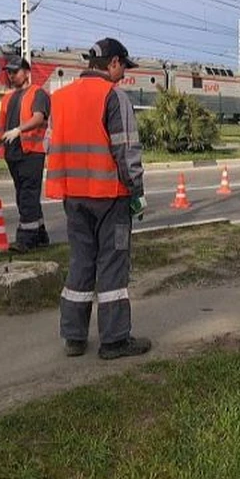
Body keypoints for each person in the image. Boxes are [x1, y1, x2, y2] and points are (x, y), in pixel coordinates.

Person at [46, 37, 150, 360]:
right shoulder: (114, 97)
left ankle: (74, 337)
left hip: (74, 197)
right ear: (114, 63)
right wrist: (136, 192)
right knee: (113, 266)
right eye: (123, 68)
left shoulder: (59, 98)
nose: (124, 75)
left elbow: (50, 145)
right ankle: (115, 340)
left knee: (80, 262)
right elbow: (126, 150)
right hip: (110, 197)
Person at [0, 56, 50, 252]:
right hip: (13, 154)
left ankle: (26, 239)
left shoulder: (38, 93)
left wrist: (19, 130)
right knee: (25, 195)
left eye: (15, 71)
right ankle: (40, 234)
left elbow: (39, 117)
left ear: (27, 72)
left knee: (27, 196)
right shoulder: (8, 97)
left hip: (31, 152)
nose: (12, 75)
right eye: (10, 72)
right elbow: (0, 126)